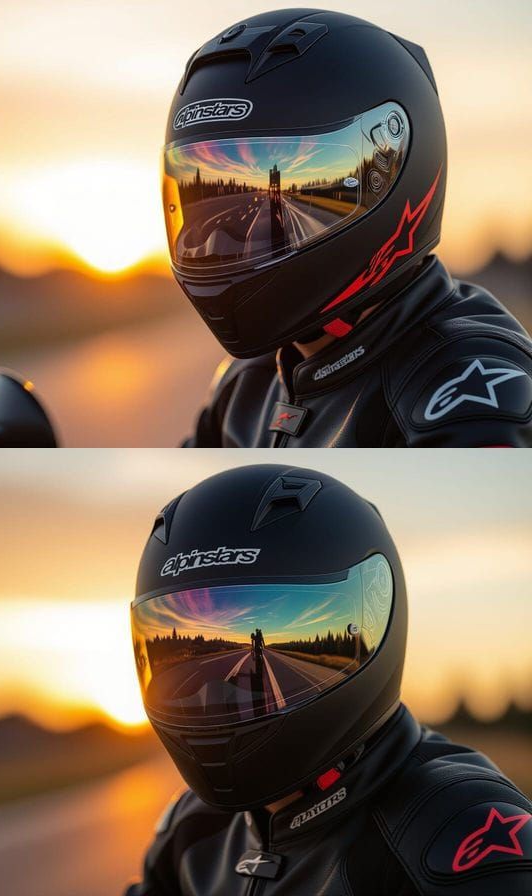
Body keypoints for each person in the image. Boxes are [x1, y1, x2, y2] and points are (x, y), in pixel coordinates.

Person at [127, 464, 532, 895]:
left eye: (275, 615)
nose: (216, 704)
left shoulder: (456, 830)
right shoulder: (193, 830)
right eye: (159, 641)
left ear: (376, 617)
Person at [162, 10, 532, 446]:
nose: (214, 240)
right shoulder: (248, 383)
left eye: (275, 182)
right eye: (196, 197)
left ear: (388, 169)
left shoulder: (468, 384)